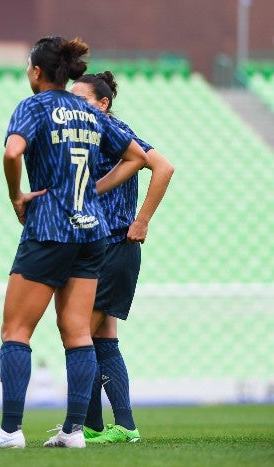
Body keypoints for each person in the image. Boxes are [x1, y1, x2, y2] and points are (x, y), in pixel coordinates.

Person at [0, 36, 148, 450]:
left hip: (50, 228)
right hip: (92, 230)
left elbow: (12, 153)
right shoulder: (89, 110)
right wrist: (92, 192)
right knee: (78, 333)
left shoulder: (34, 106)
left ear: (36, 71)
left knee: (16, 330)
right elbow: (137, 157)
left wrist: (16, 195)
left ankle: (10, 430)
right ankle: (74, 431)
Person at [69, 71, 174, 443]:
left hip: (114, 245)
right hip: (98, 246)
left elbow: (163, 167)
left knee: (79, 334)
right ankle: (109, 426)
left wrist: (142, 220)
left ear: (103, 104)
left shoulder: (113, 130)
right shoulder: (86, 134)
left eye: (81, 99)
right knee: (101, 336)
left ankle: (88, 424)